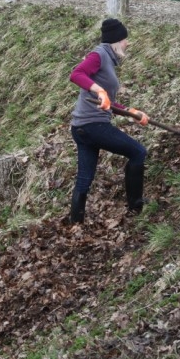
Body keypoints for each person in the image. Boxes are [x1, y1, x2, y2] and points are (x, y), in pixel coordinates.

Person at [67, 17, 149, 223]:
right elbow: (77, 74)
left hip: (81, 128)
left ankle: (75, 222)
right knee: (138, 152)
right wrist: (99, 90)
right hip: (93, 125)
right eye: (125, 40)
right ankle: (135, 206)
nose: (127, 43)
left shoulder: (108, 60)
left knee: (84, 178)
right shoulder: (99, 55)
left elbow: (108, 102)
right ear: (116, 41)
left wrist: (132, 112)